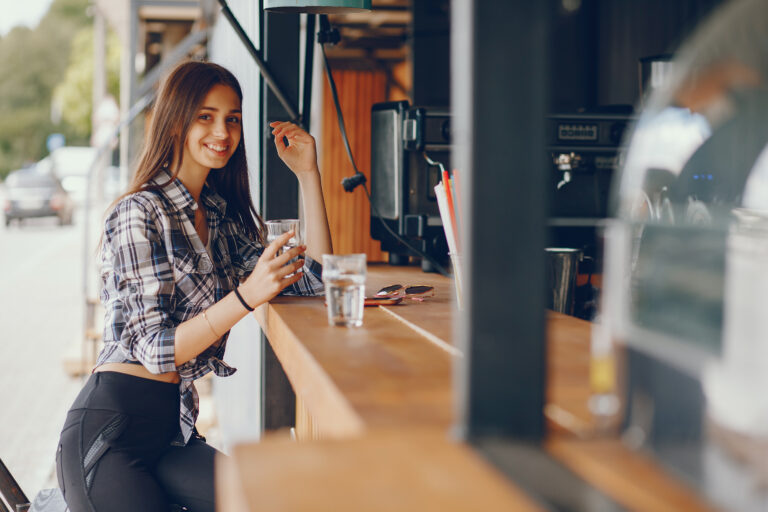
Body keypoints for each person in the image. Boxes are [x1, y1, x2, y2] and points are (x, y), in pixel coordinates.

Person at [54, 60, 332, 512]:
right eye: (205, 116)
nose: (222, 131)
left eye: (233, 119)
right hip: (110, 437)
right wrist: (246, 296)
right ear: (176, 120)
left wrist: (308, 175)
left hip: (171, 434)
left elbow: (314, 280)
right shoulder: (138, 212)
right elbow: (155, 349)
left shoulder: (220, 217)